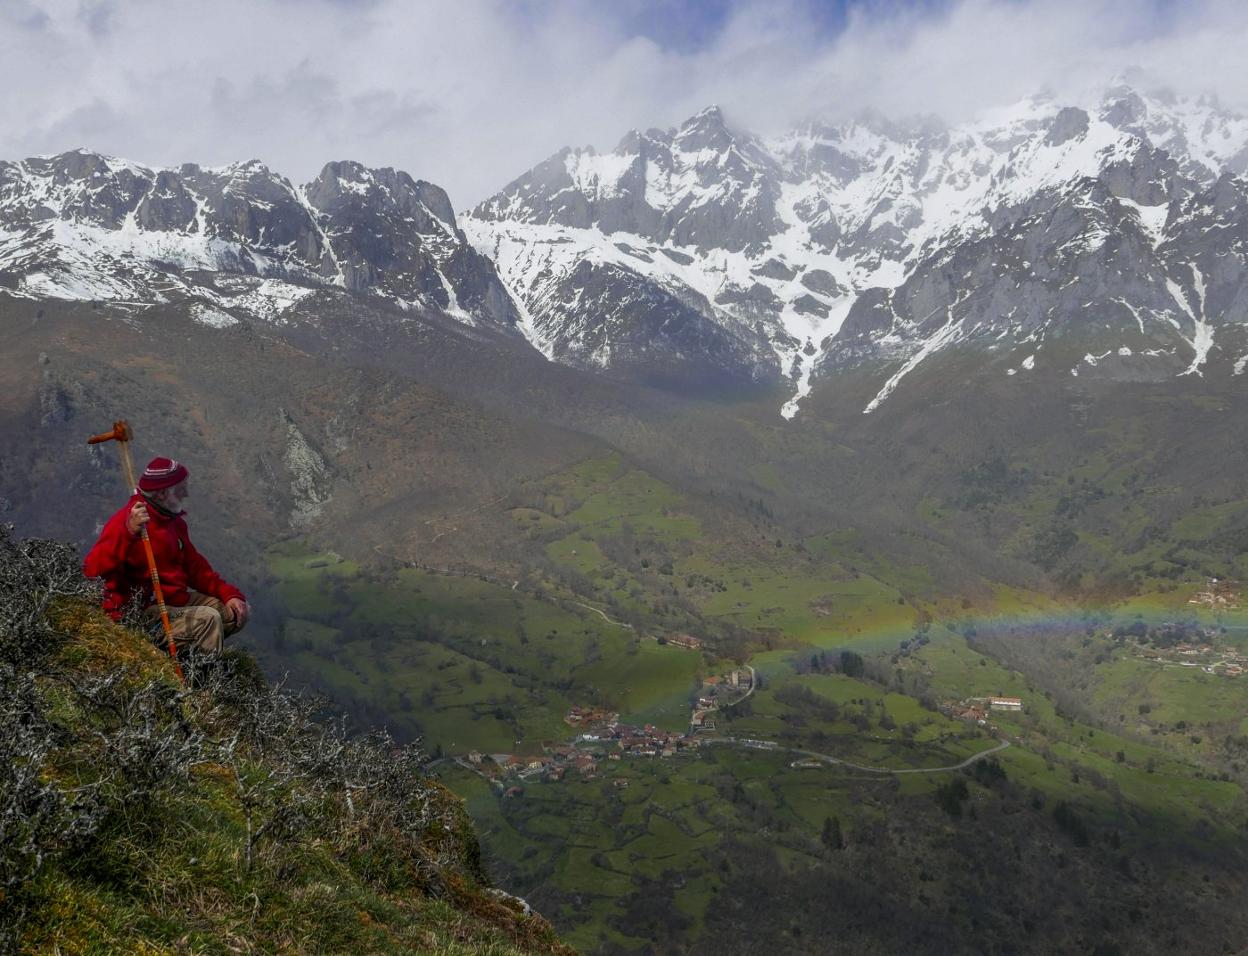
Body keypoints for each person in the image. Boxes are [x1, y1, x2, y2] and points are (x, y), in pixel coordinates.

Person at [83, 456, 249, 654]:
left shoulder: (173, 523)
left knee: (235, 612)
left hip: (172, 601)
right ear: (162, 493)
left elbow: (195, 569)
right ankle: (200, 679)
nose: (186, 494)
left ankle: (186, 653)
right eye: (180, 489)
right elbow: (92, 570)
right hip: (141, 613)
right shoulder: (127, 523)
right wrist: (128, 533)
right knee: (209, 620)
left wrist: (228, 594)